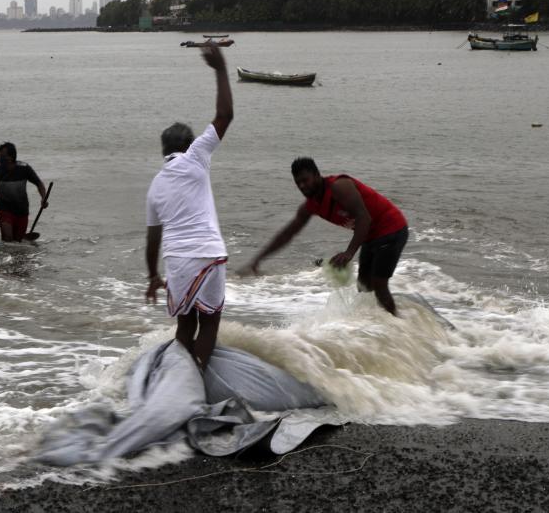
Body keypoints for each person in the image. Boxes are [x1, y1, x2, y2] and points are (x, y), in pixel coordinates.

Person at [144, 44, 232, 371]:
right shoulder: (197, 156)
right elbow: (225, 116)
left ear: (164, 150)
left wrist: (153, 276)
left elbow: (152, 241)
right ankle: (196, 378)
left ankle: (180, 382)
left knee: (185, 326)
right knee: (209, 325)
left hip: (178, 263)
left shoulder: (155, 185)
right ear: (188, 144)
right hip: (209, 255)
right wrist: (221, 68)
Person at [239, 158, 408, 316]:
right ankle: (381, 328)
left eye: (306, 180)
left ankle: (400, 326)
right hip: (371, 237)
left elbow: (364, 218)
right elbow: (287, 234)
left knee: (379, 285)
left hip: (392, 229)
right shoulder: (311, 205)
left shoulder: (339, 187)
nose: (302, 186)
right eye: (298, 183)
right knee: (363, 287)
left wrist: (349, 253)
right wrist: (258, 259)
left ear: (317, 175)